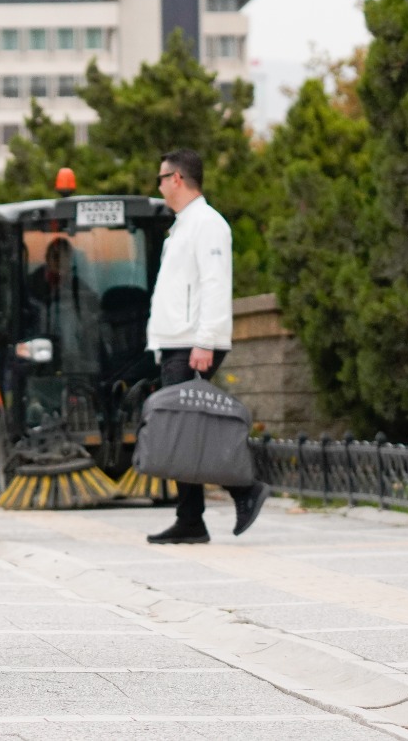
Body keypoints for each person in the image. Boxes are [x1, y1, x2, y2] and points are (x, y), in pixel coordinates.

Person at [145, 149, 269, 544]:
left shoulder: (208, 225)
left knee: (187, 431)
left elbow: (215, 284)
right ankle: (193, 518)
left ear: (177, 179)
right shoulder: (183, 226)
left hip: (192, 344)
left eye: (162, 178)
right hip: (176, 343)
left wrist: (204, 341)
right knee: (186, 431)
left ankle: (242, 490)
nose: (160, 186)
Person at [23, 237, 100, 371]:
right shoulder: (30, 285)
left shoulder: (78, 287)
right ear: (48, 259)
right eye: (56, 258)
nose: (60, 264)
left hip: (72, 353)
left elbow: (93, 306)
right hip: (37, 347)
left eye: (65, 259)